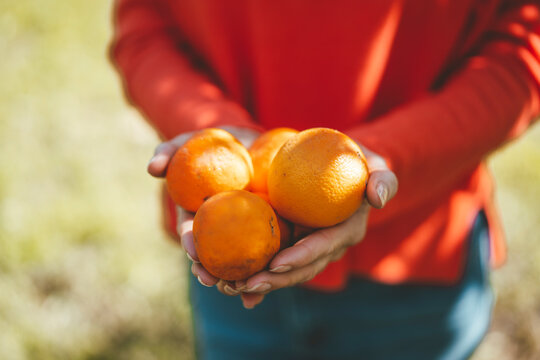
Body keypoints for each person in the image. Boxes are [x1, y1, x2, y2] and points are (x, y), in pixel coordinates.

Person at [110, 1, 540, 359]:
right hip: (226, 250)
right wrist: (212, 133)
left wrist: (384, 160)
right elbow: (145, 24)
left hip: (413, 273)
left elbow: (525, 44)